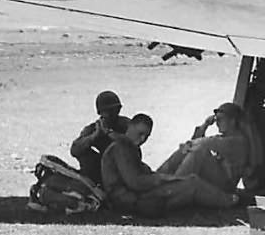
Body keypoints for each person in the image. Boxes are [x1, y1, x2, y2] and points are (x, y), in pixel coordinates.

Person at [101, 113, 240, 216]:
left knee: (181, 153)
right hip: (135, 201)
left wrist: (179, 155)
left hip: (140, 192)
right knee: (192, 182)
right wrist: (162, 179)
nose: (142, 139)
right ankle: (231, 201)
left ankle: (184, 180)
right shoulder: (120, 148)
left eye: (146, 136)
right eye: (140, 133)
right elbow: (135, 182)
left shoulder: (128, 146)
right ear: (130, 126)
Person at [156, 102, 252, 200]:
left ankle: (173, 188)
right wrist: (205, 125)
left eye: (220, 119)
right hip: (219, 178)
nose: (217, 123)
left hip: (226, 185)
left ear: (232, 121)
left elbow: (205, 143)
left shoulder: (237, 141)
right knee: (187, 150)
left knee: (198, 152)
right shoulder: (225, 138)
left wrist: (189, 145)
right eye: (216, 120)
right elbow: (198, 140)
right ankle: (157, 177)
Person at [69, 90, 129, 184]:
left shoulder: (126, 124)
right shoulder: (94, 128)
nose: (112, 114)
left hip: (124, 171)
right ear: (100, 112)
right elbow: (74, 150)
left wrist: (110, 134)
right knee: (86, 155)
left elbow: (133, 144)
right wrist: (94, 136)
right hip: (101, 173)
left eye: (115, 110)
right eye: (108, 111)